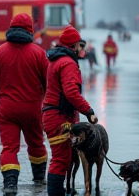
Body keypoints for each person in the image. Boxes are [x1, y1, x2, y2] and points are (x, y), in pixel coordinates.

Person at [0, 13, 49, 194]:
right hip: (32, 108)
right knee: (36, 144)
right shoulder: (39, 53)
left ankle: (10, 185)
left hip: (7, 109)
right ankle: (39, 180)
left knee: (9, 147)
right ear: (30, 30)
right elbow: (48, 81)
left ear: (11, 28)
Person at [42, 25, 98, 196]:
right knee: (61, 159)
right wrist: (89, 111)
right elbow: (71, 93)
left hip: (55, 114)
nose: (83, 49)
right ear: (72, 45)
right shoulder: (68, 63)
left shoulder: (56, 60)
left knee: (64, 158)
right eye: (80, 45)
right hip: (59, 116)